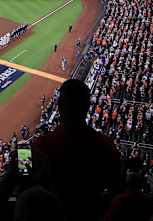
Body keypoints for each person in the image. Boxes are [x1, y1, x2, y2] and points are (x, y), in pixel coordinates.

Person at [32, 79, 122, 221]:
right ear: (87, 106)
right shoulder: (106, 144)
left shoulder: (40, 144)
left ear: (59, 106)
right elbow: (117, 186)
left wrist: (20, 154)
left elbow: (21, 179)